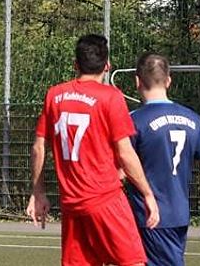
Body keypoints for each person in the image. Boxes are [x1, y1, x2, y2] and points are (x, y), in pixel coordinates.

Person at [27, 33, 159, 266]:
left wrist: (38, 192)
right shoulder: (111, 97)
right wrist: (148, 194)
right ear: (107, 66)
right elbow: (125, 153)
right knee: (134, 262)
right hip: (105, 199)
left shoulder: (54, 96)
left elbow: (39, 148)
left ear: (75, 65)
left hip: (72, 205)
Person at [127, 52, 200, 265]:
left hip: (150, 214)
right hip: (179, 213)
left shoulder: (134, 121)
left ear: (137, 81)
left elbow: (121, 167)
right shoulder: (193, 119)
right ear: (168, 81)